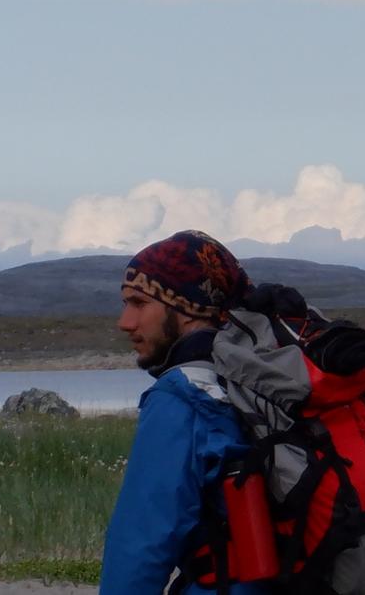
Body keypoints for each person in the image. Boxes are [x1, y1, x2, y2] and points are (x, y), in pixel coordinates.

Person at [100, 230, 270, 595]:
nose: (125, 322)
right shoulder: (266, 379)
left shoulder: (183, 396)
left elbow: (141, 546)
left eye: (139, 303)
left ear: (186, 307)